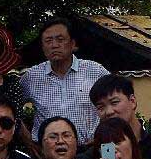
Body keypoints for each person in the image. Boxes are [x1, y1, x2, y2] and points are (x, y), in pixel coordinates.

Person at [20, 18, 109, 147]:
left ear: (73, 44)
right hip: (48, 153)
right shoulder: (31, 77)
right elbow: (12, 110)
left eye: (60, 40)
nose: (54, 45)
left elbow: (115, 104)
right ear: (43, 47)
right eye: (48, 41)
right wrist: (29, 141)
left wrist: (103, 135)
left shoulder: (96, 71)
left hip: (91, 149)